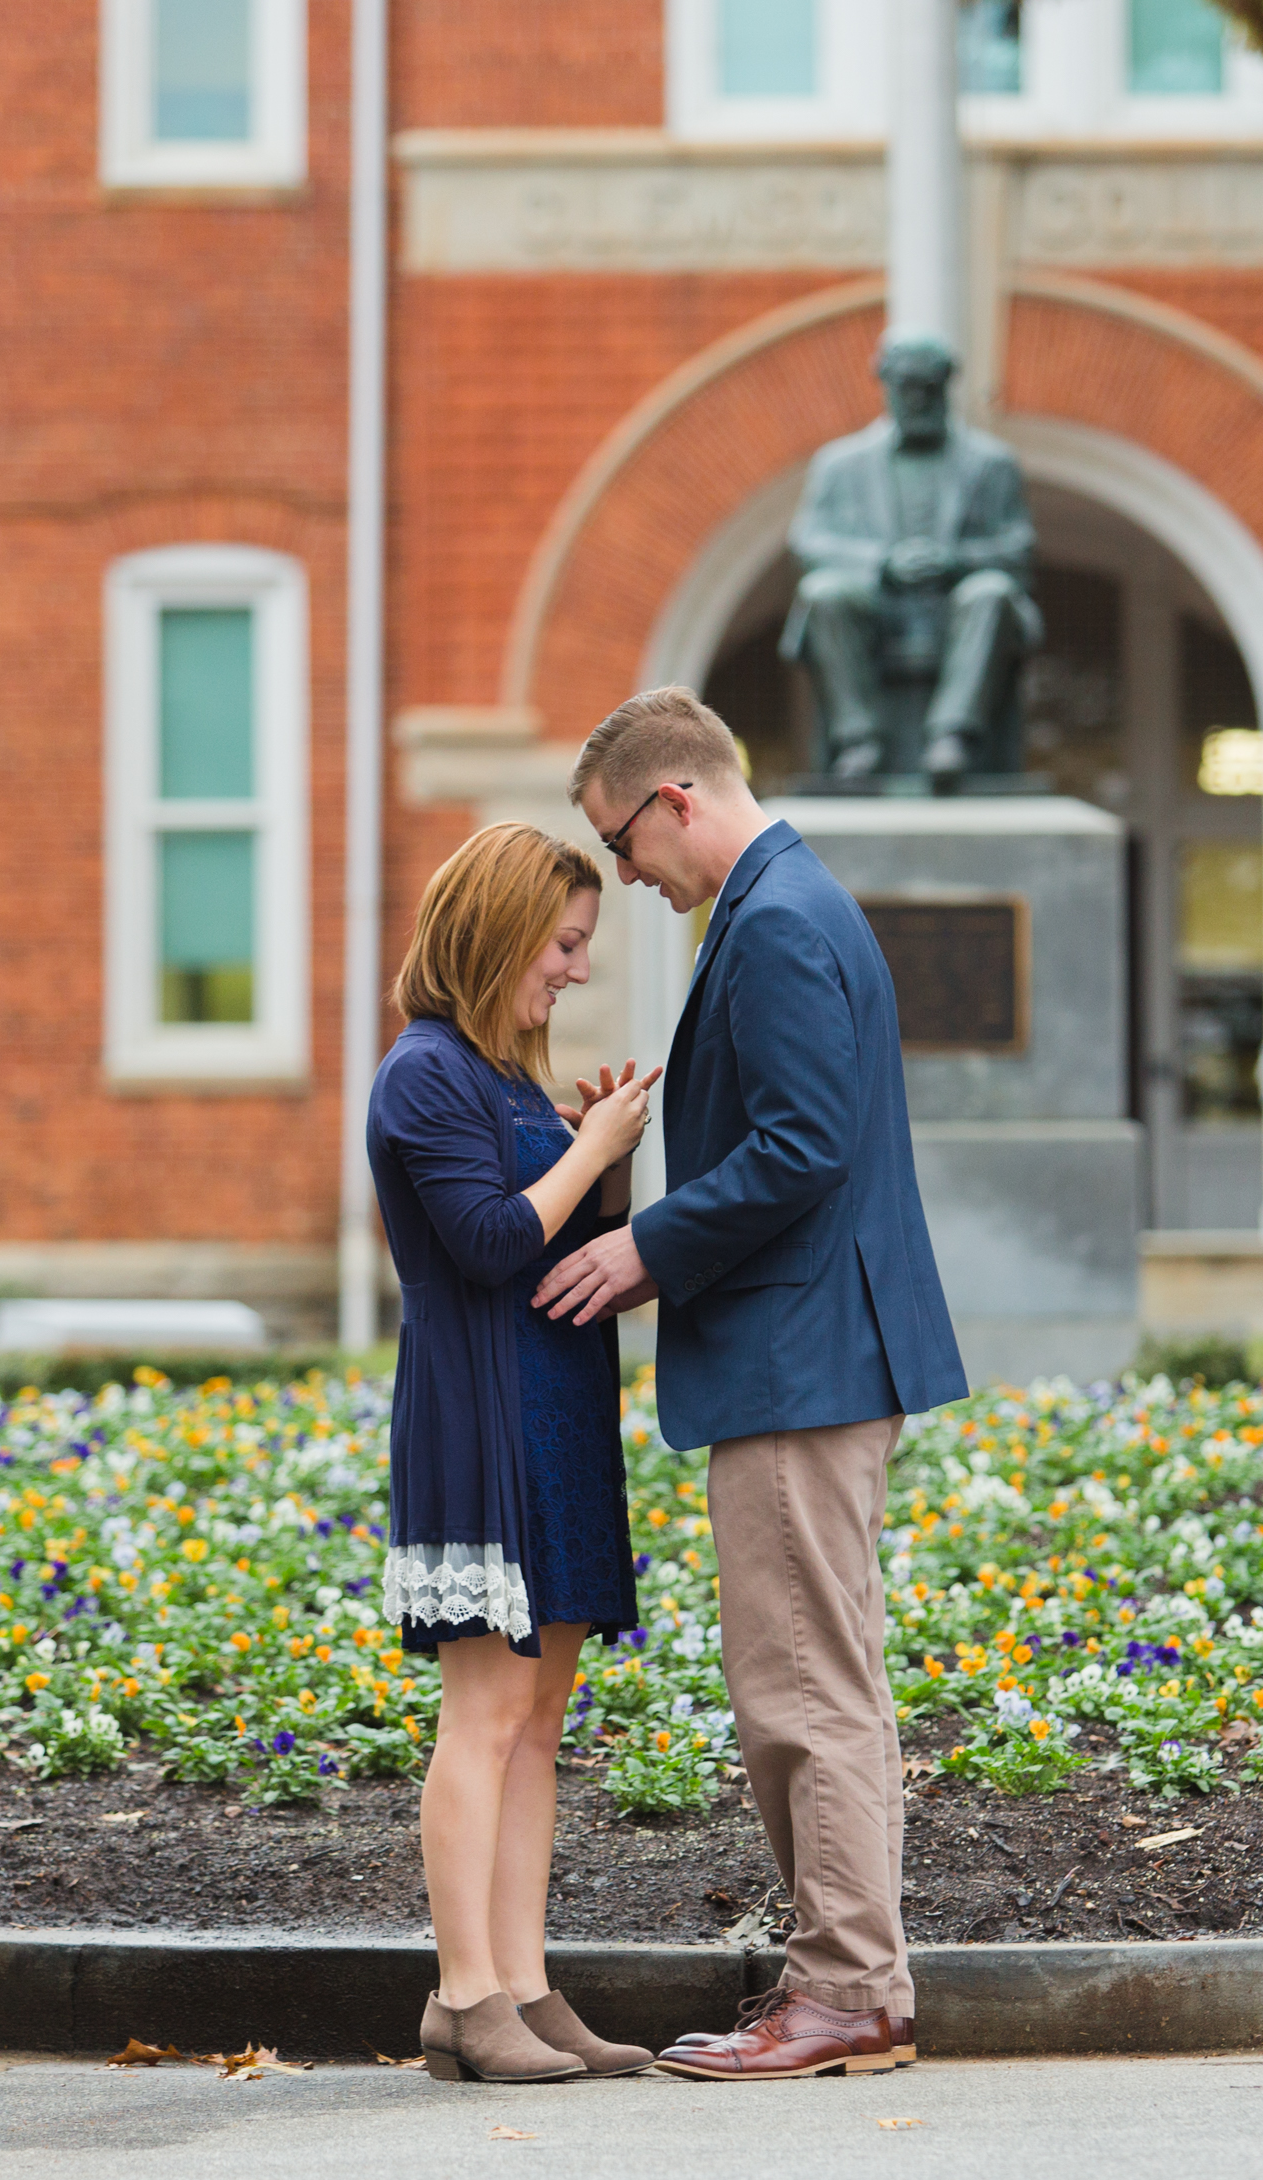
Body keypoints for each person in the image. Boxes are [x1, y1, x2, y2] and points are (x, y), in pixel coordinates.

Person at [533, 686, 969, 2081]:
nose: (624, 879)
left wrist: (642, 1250)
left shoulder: (774, 922)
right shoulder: (797, 902)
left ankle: (842, 1993)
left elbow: (800, 1153)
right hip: (823, 1347)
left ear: (675, 800)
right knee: (826, 1675)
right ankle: (860, 1985)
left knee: (800, 1688)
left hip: (797, 1359)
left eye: (619, 844)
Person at [368, 822, 662, 2084]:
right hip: (476, 1419)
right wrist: (589, 1153)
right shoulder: (424, 1073)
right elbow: (490, 1246)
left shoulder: (504, 1079)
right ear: (496, 933)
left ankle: (527, 1989)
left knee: (541, 1715)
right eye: (564, 943)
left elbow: (558, 1255)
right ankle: (463, 1994)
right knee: (484, 1711)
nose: (576, 972)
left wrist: (607, 1170)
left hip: (554, 1415)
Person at [779, 328, 1042, 779]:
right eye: (907, 387)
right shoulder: (840, 464)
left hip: (958, 610)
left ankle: (952, 736)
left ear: (946, 388)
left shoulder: (990, 463)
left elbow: (1018, 548)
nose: (918, 399)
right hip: (875, 607)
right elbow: (811, 541)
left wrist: (957, 563)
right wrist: (882, 564)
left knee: (993, 591)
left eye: (929, 388)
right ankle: (858, 740)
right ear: (887, 387)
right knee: (824, 593)